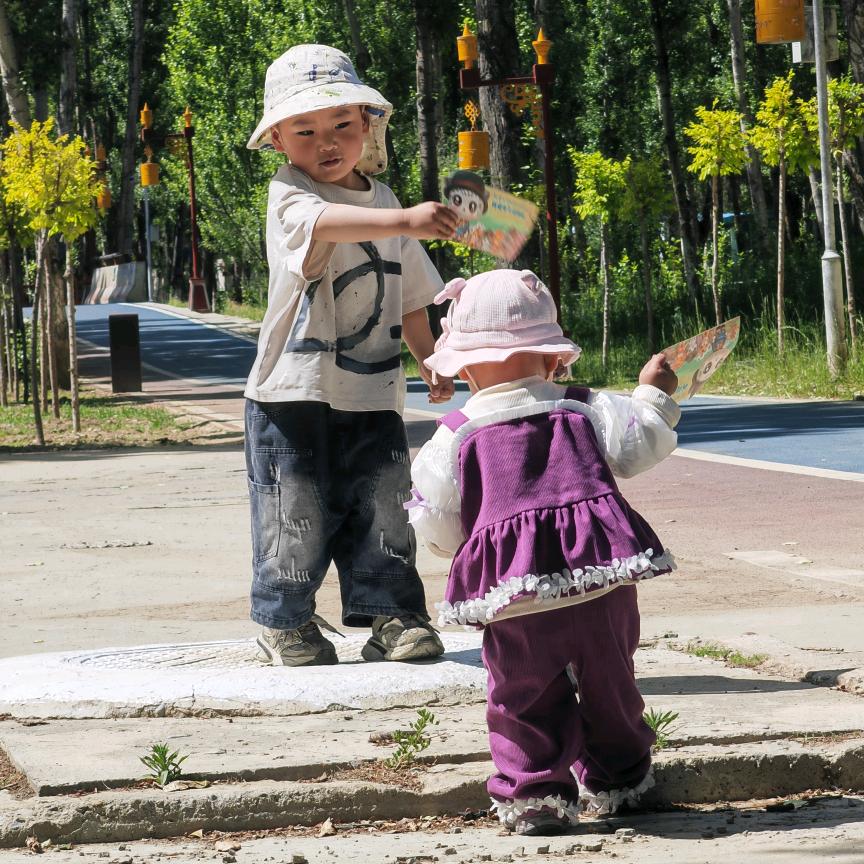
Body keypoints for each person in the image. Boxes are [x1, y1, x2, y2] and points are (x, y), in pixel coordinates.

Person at [407, 269, 680, 835]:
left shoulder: (456, 433)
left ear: (463, 364)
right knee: (612, 681)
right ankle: (622, 779)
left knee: (519, 694)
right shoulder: (584, 407)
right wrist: (653, 392)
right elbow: (642, 442)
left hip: (516, 596)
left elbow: (436, 518)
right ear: (551, 356)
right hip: (600, 583)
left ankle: (535, 794)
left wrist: (461, 549)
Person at [244, 43, 459, 667]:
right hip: (290, 393)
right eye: (305, 130)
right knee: (295, 508)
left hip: (372, 391)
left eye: (343, 124)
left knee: (384, 504)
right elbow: (327, 224)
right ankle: (285, 620)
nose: (327, 141)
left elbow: (411, 292)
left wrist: (428, 357)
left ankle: (394, 616)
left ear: (368, 126)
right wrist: (407, 220)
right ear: (280, 141)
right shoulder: (289, 195)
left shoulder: (388, 202)